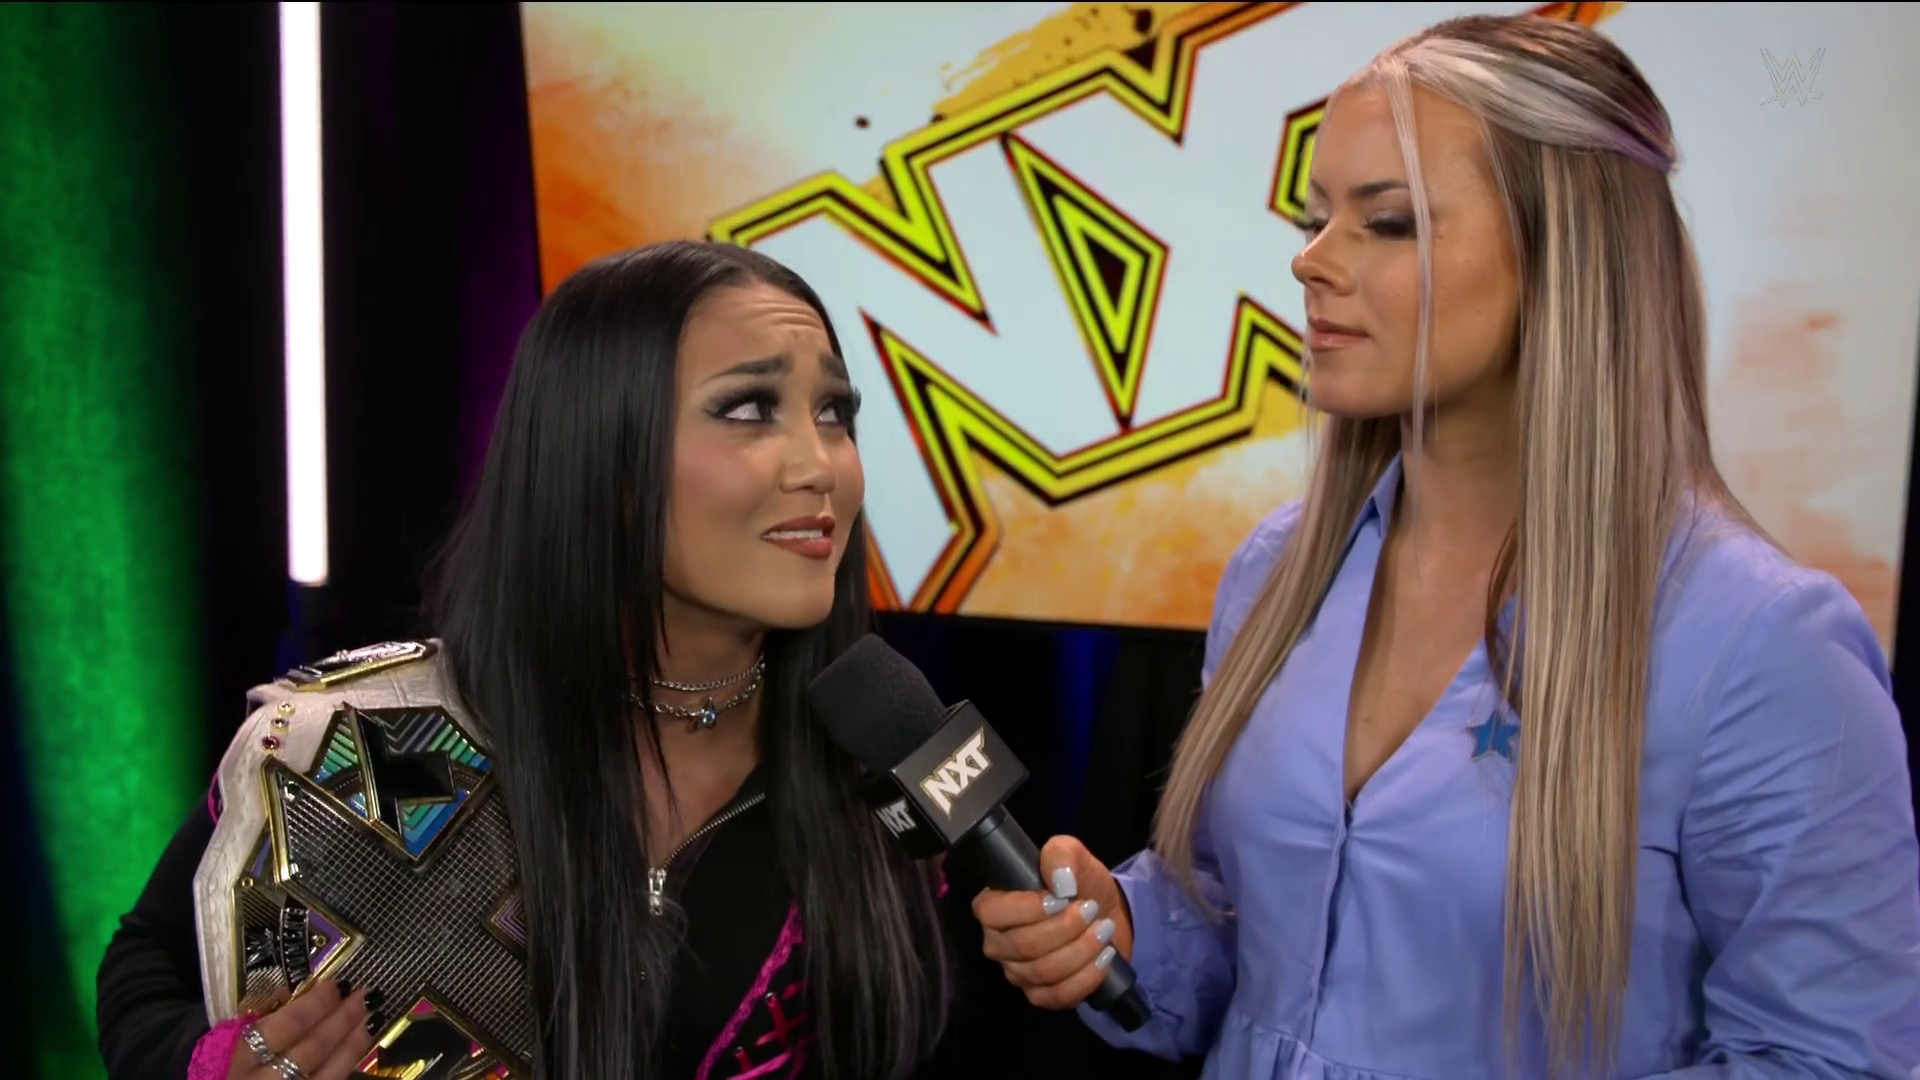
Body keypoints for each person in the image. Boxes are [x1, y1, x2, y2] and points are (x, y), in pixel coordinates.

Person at [973, 13, 1920, 1079]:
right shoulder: (1276, 572)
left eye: (1388, 222)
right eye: (1317, 217)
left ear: (1567, 254)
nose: (1310, 260)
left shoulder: (1763, 645)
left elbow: (1829, 1059)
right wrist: (1131, 931)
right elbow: (1250, 933)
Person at [95, 240, 954, 1080]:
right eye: (749, 409)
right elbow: (147, 974)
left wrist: (1043, 974)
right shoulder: (360, 746)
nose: (820, 465)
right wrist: (217, 1066)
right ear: (600, 452)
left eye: (834, 414)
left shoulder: (882, 765)